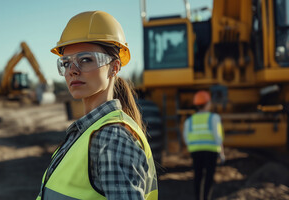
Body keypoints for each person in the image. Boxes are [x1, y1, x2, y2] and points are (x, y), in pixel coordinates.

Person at [36, 11, 158, 200]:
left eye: (85, 59)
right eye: (66, 63)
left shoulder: (111, 138)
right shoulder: (89, 131)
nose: (72, 71)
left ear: (114, 67)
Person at [183, 90, 225, 200]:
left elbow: (186, 136)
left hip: (196, 152)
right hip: (211, 151)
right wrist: (222, 152)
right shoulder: (214, 118)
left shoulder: (190, 120)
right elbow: (218, 137)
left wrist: (191, 147)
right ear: (208, 104)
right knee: (209, 178)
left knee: (198, 176)